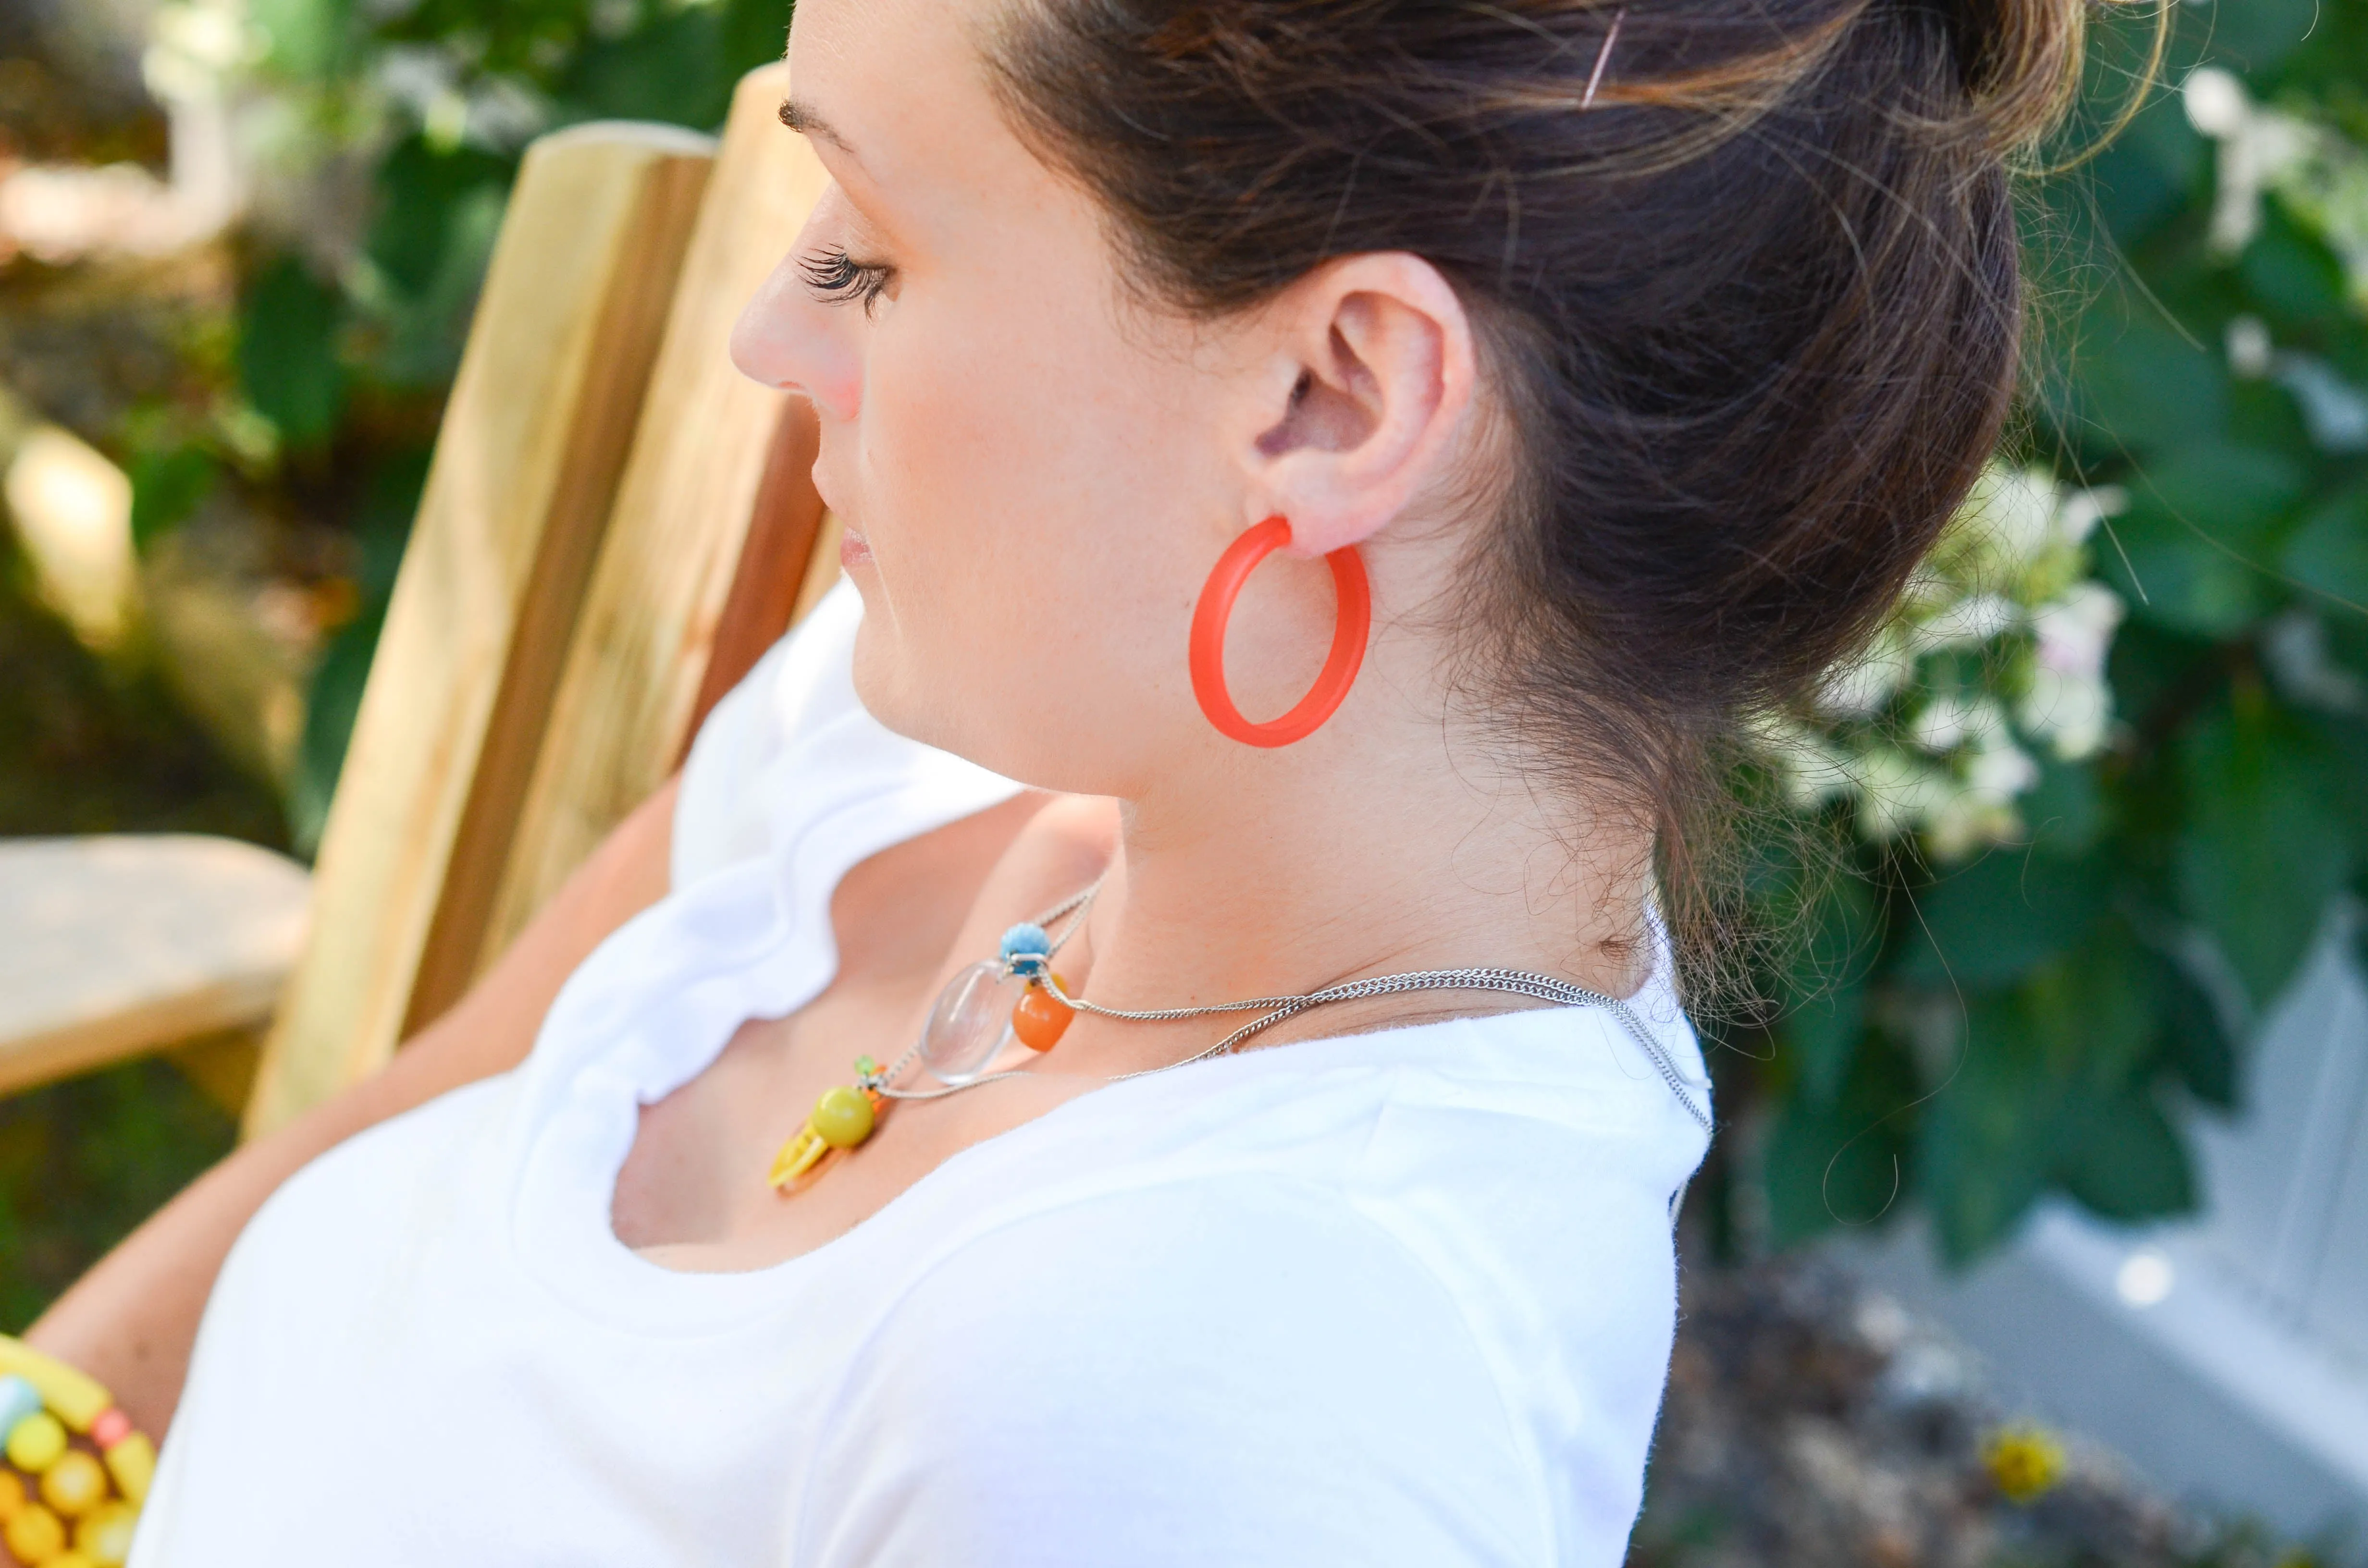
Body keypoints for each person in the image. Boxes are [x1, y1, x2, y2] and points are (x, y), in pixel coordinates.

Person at [26, 0, 2086, 1558]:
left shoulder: (1209, 1398)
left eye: (871, 252)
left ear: (1328, 396)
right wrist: (42, 1457)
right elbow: (436, 1105)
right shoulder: (948, 730)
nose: (770, 327)